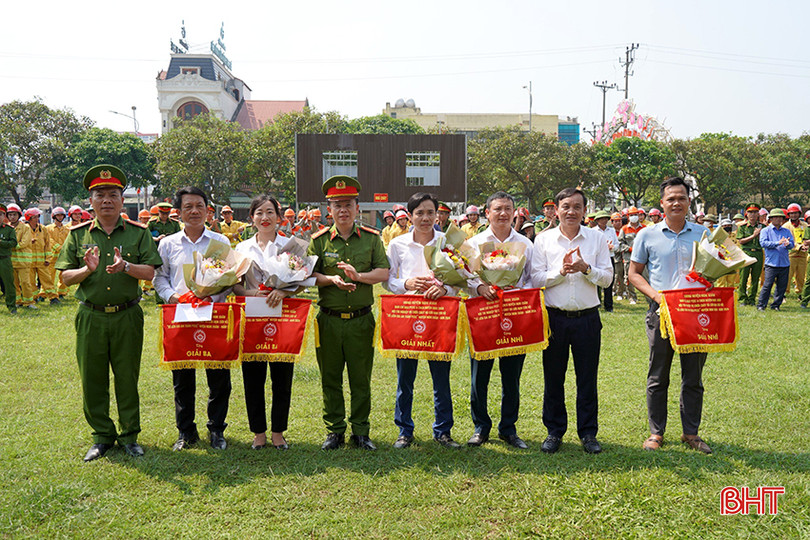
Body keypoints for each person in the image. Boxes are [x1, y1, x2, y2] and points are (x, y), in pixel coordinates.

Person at [55, 164, 162, 461]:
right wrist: (85, 271)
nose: (106, 200)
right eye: (100, 195)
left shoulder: (138, 234)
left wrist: (127, 267)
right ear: (91, 201)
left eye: (113, 194)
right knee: (92, 377)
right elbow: (64, 277)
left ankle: (129, 436)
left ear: (121, 200)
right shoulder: (77, 235)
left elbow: (150, 272)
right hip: (91, 316)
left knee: (127, 376)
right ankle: (102, 436)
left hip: (127, 315)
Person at [628, 177, 712, 454]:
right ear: (662, 203)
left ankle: (691, 433)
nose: (677, 203)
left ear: (689, 202)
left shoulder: (704, 234)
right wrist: (657, 297)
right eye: (671, 198)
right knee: (658, 374)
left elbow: (714, 270)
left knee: (693, 376)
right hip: (661, 312)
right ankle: (656, 432)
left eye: (682, 198)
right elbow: (634, 274)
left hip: (695, 313)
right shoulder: (647, 235)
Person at [307, 175, 390, 450]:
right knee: (330, 377)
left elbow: (383, 272)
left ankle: (361, 431)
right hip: (328, 320)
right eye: (336, 205)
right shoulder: (318, 242)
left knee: (360, 377)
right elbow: (307, 275)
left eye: (348, 204)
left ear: (358, 208)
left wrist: (360, 276)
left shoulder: (371, 239)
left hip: (361, 320)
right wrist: (330, 280)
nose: (343, 210)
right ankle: (335, 431)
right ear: (328, 209)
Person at [532, 188, 612, 454]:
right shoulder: (543, 241)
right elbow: (536, 279)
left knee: (586, 378)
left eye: (577, 207)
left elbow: (608, 278)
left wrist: (586, 269)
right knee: (553, 377)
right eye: (566, 206)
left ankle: (588, 433)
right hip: (554, 317)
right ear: (556, 210)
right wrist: (560, 272)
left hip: (587, 318)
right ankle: (554, 431)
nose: (571, 212)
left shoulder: (596, 239)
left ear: (584, 211)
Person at [154, 186, 234, 451]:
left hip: (213, 316)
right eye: (188, 206)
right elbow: (160, 277)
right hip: (180, 315)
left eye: (199, 205)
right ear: (178, 213)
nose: (195, 211)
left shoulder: (219, 242)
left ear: (207, 210)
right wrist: (172, 297)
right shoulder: (167, 244)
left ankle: (217, 430)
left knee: (219, 377)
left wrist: (211, 296)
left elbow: (229, 279)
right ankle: (186, 431)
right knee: (182, 378)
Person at [384, 192, 460, 449]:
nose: (425, 218)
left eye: (430, 212)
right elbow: (388, 280)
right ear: (411, 216)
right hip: (408, 316)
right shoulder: (397, 244)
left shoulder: (447, 242)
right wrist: (406, 283)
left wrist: (446, 289)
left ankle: (443, 431)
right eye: (420, 213)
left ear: (437, 215)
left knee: (441, 378)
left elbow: (462, 277)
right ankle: (404, 430)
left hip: (439, 316)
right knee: (405, 378)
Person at [466, 191, 535, 449]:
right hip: (483, 314)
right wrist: (479, 287)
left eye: (508, 208)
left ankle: (508, 428)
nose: (503, 213)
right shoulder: (474, 243)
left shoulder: (526, 244)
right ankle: (480, 427)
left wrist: (517, 289)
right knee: (479, 376)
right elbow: (465, 276)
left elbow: (532, 277)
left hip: (514, 316)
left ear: (514, 213)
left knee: (511, 376)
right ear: (487, 213)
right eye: (497, 209)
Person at [233, 195, 295, 450]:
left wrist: (286, 291)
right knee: (253, 377)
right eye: (259, 213)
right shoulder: (241, 249)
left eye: (270, 212)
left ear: (279, 217)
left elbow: (301, 278)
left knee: (282, 376)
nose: (265, 217)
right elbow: (234, 285)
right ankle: (258, 432)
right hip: (252, 316)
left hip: (283, 317)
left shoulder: (290, 245)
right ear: (252, 218)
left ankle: (278, 432)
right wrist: (250, 294)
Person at [756, 208, 794, 311]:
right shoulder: (765, 231)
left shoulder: (786, 231)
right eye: (775, 217)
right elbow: (763, 243)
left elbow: (792, 244)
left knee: (782, 286)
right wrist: (778, 242)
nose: (778, 219)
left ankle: (776, 305)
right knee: (767, 285)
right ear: (771, 219)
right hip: (771, 263)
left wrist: (788, 244)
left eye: (780, 217)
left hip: (784, 263)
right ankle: (761, 305)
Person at [7, 204, 36, 309]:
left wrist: (11, 246)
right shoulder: (6, 228)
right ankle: (18, 301)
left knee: (25, 282)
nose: (12, 217)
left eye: (14, 214)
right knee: (14, 283)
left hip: (23, 261)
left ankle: (29, 302)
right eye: (10, 215)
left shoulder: (25, 227)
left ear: (18, 215)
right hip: (11, 261)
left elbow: (25, 242)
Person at [24, 208, 55, 304]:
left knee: (47, 280)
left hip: (42, 261)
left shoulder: (43, 229)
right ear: (29, 218)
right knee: (30, 281)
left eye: (38, 216)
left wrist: (48, 258)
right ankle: (34, 297)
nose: (37, 218)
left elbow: (47, 245)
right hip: (29, 261)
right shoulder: (24, 229)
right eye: (34, 217)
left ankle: (53, 298)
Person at [736, 204, 764, 305]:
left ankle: (752, 298)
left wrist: (760, 234)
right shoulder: (742, 227)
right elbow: (741, 241)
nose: (752, 214)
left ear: (758, 214)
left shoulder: (763, 227)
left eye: (755, 212)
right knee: (743, 277)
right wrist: (754, 235)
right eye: (750, 212)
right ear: (746, 214)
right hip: (746, 252)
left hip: (758, 252)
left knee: (756, 277)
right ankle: (743, 298)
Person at [617, 206, 645, 304]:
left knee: (646, 277)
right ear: (628, 217)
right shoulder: (624, 229)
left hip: (643, 257)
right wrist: (629, 249)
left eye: (636, 215)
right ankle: (632, 297)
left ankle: (649, 297)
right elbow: (620, 244)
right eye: (632, 215)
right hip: (629, 257)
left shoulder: (644, 228)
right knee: (628, 278)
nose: (634, 217)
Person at [593, 210, 617, 312]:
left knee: (609, 281)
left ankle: (609, 306)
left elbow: (617, 244)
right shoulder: (593, 231)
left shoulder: (611, 231)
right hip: (597, 259)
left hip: (609, 257)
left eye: (605, 219)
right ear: (597, 220)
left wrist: (612, 247)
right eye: (601, 219)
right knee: (596, 281)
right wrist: (603, 247)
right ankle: (596, 303)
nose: (603, 221)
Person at [46, 206, 71, 299]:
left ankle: (61, 293)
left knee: (63, 275)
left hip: (63, 257)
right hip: (51, 256)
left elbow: (69, 241)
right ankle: (45, 293)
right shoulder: (48, 228)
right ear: (54, 216)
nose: (60, 217)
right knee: (49, 276)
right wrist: (59, 247)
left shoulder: (67, 230)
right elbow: (49, 240)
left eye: (61, 215)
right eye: (58, 215)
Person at [784, 203, 807, 296]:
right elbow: (786, 241)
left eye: (796, 213)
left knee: (801, 276)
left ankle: (799, 293)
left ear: (800, 213)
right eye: (792, 213)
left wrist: (806, 245)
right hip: (791, 254)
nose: (794, 215)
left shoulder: (805, 225)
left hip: (803, 254)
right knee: (788, 275)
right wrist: (798, 246)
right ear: (788, 215)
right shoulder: (786, 226)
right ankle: (784, 293)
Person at [0, 204, 17, 313]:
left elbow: (14, 243)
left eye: (1, 214)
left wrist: (1, 243)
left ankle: (11, 307)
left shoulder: (9, 230)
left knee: (9, 284)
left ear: (4, 216)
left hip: (4, 260)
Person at [610, 212, 626, 300]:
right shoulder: (611, 232)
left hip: (625, 255)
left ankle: (625, 290)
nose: (618, 223)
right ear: (612, 222)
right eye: (615, 221)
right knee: (617, 274)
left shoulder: (624, 230)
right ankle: (616, 290)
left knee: (625, 274)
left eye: (619, 221)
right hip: (615, 256)